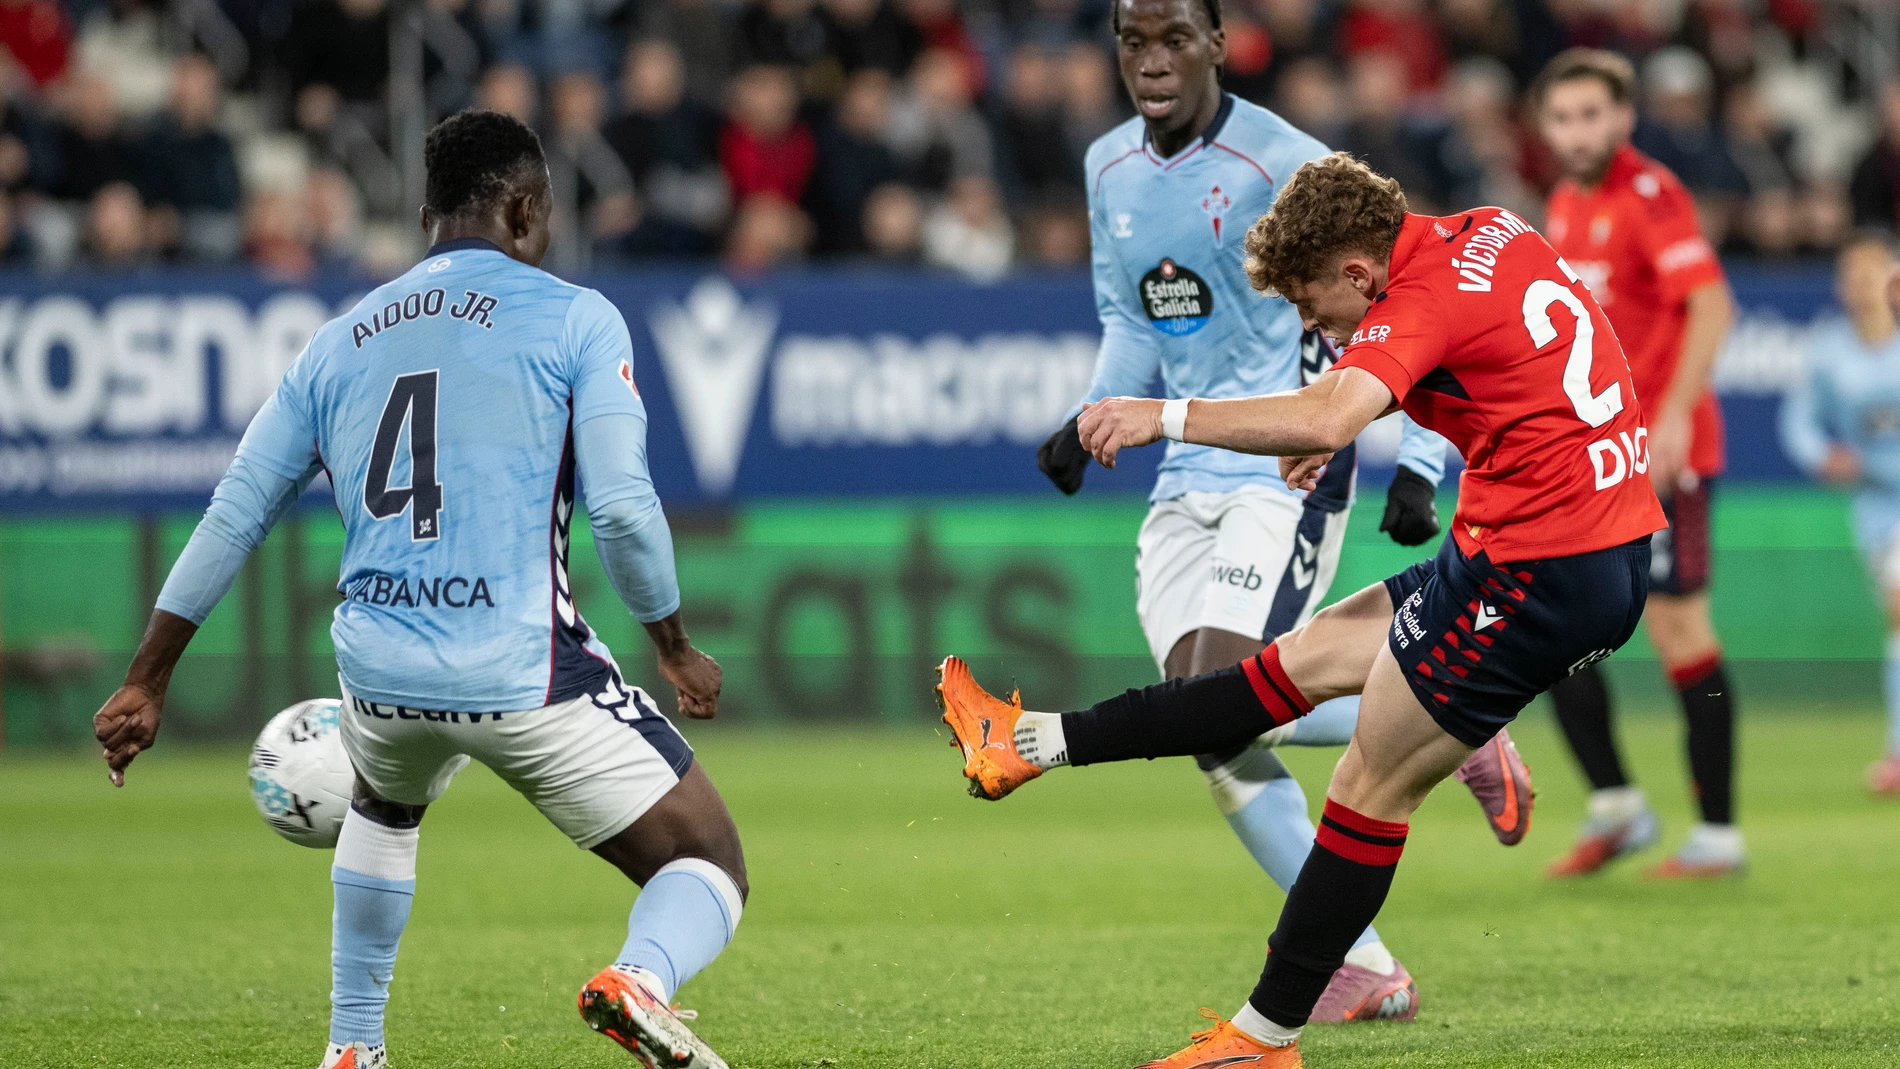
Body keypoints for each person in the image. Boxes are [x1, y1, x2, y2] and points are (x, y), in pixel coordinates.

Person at [940, 151, 1665, 1067]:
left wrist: (1161, 416)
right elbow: (1499, 371)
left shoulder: (1416, 299)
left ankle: (1263, 1037)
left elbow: (1330, 410)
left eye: (1307, 298)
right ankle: (1026, 743)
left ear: (1359, 272)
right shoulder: (1488, 228)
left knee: (1369, 783)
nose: (1308, 318)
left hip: (1540, 572)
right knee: (1292, 664)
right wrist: (1339, 419)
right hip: (1562, 542)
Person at [90, 111, 744, 1069]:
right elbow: (624, 510)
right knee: (708, 860)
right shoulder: (575, 316)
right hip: (523, 673)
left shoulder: (337, 337)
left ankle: (353, 1047)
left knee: (386, 808)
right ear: (526, 209)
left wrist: (148, 678)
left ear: (431, 213)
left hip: (380, 673)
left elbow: (234, 514)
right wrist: (673, 642)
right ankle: (640, 979)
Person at [1033, 0, 1515, 1026]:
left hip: (1288, 467)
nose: (1151, 62)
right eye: (1131, 41)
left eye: (1173, 39)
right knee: (1205, 713)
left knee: (1216, 695)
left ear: (1219, 44)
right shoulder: (1107, 166)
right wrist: (1087, 419)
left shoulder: (1286, 162)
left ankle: (1426, 769)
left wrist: (1418, 460)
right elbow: (1130, 315)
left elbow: (1406, 298)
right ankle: (1381, 932)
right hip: (1182, 472)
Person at [1536, 49, 1745, 879]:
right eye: (1563, 117)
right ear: (1544, 126)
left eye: (1593, 114)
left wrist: (1669, 421)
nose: (1578, 131)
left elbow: (1713, 302)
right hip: (1596, 454)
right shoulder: (1562, 202)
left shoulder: (1648, 194)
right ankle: (1617, 805)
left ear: (1623, 118)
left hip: (1664, 451)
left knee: (1679, 628)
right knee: (1552, 624)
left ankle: (1719, 834)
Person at [1780, 232, 1900, 796]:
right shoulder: (1830, 350)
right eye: (1849, 274)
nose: (1859, 285)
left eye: (1870, 272)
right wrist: (1822, 455)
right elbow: (1799, 419)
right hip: (1878, 506)